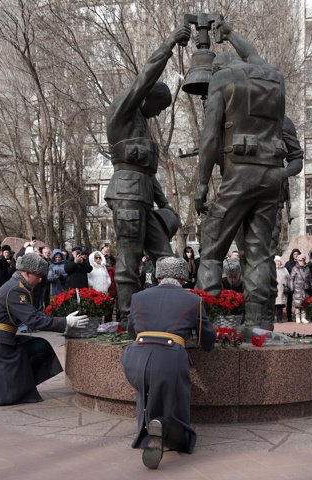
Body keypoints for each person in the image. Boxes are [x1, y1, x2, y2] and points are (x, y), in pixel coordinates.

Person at [195, 22, 287, 329]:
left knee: (211, 251)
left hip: (239, 175)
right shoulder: (273, 76)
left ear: (220, 68)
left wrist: (202, 184)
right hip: (272, 175)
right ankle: (259, 327)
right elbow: (254, 55)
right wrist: (231, 33)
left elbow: (209, 139)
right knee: (259, 254)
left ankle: (203, 324)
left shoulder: (222, 79)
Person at [105, 26, 188, 328]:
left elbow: (148, 172)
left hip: (144, 198)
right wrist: (169, 45)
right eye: (158, 106)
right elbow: (145, 77)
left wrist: (165, 203)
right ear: (146, 97)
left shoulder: (142, 124)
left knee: (166, 258)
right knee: (128, 260)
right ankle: (127, 318)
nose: (158, 113)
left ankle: (167, 311)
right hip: (126, 194)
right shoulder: (123, 112)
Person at [0, 253, 89, 407]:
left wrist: (62, 320)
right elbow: (33, 320)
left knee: (40, 348)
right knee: (6, 395)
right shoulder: (16, 290)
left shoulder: (17, 285)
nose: (41, 279)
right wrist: (66, 322)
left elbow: (32, 315)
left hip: (0, 339)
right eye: (38, 275)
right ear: (27, 273)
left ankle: (19, 382)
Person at [121, 256, 216, 469]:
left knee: (146, 395)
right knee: (176, 405)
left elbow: (132, 330)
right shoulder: (193, 300)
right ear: (182, 278)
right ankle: (163, 427)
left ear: (159, 276)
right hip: (170, 356)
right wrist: (207, 345)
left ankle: (147, 431)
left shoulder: (138, 296)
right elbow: (206, 336)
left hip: (135, 358)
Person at [288, 254, 312, 323]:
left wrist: (310, 285)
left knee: (304, 303)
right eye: (300, 260)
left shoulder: (307, 268)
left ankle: (303, 318)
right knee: (297, 304)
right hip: (297, 288)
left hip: (305, 288)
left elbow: (310, 278)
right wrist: (292, 288)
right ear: (298, 261)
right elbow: (291, 278)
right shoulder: (295, 268)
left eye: (303, 260)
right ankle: (297, 317)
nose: (302, 261)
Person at [284, 249, 301, 321]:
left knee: (300, 300)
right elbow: (286, 274)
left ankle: (299, 316)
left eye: (297, 254)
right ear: (292, 255)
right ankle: (289, 316)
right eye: (294, 254)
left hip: (299, 284)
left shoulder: (301, 262)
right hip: (291, 284)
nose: (296, 255)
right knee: (289, 301)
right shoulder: (288, 264)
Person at [274, 255, 290, 323]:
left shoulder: (284, 269)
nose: (277, 262)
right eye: (276, 261)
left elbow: (288, 278)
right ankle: (271, 319)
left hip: (282, 289)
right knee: (273, 305)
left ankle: (279, 319)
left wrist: (287, 286)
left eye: (278, 261)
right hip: (274, 289)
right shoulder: (272, 268)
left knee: (280, 305)